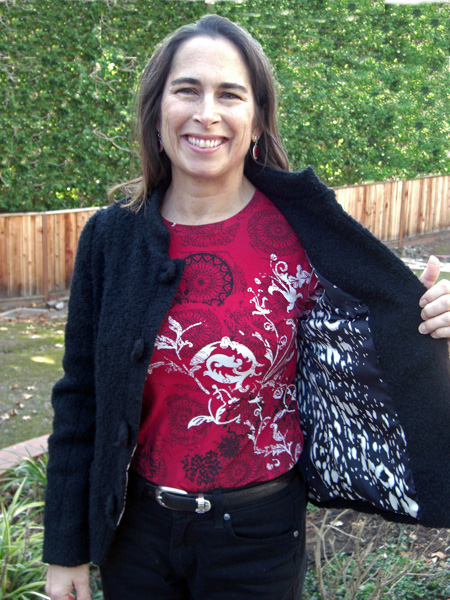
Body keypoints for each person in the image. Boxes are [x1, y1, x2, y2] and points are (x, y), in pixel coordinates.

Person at [44, 14, 450, 600]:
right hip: (133, 536)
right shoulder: (111, 239)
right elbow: (80, 397)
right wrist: (65, 550)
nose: (206, 113)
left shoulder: (306, 232)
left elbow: (386, 335)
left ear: (256, 119)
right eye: (187, 90)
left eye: (230, 94)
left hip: (258, 541)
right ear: (157, 111)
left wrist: (434, 319)